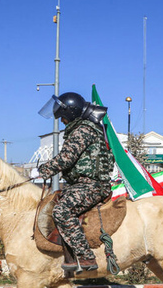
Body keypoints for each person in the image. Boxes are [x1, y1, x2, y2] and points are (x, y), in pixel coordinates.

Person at [33, 92, 114, 272]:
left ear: (71, 113)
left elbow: (66, 158)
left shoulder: (83, 130)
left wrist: (44, 170)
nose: (61, 120)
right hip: (81, 184)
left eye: (62, 116)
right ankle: (68, 258)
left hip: (91, 185)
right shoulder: (81, 129)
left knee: (62, 211)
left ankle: (86, 256)